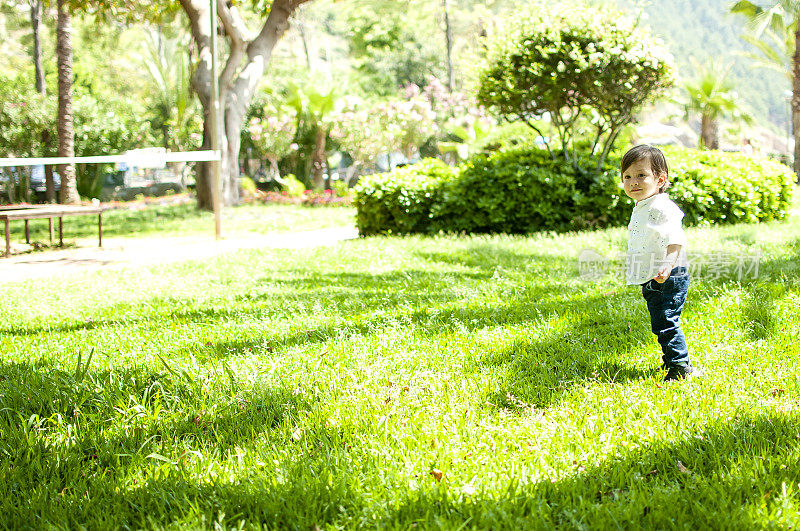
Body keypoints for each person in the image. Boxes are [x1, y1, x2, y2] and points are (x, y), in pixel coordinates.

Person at [621, 144, 700, 381]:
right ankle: (671, 361)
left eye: (641, 175)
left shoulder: (663, 207)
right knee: (660, 320)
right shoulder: (643, 206)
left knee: (666, 320)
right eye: (627, 176)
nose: (633, 182)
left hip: (668, 275)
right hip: (653, 276)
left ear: (660, 178)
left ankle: (680, 367)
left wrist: (668, 263)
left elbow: (675, 238)